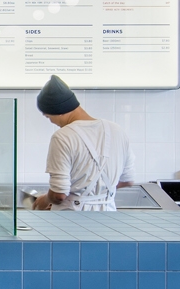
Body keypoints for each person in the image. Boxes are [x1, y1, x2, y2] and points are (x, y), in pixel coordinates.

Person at [31, 75, 135, 211]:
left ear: (58, 110)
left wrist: (45, 200)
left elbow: (59, 194)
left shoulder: (62, 136)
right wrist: (98, 194)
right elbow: (127, 180)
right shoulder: (117, 131)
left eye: (48, 117)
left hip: (72, 216)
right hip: (108, 213)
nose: (51, 122)